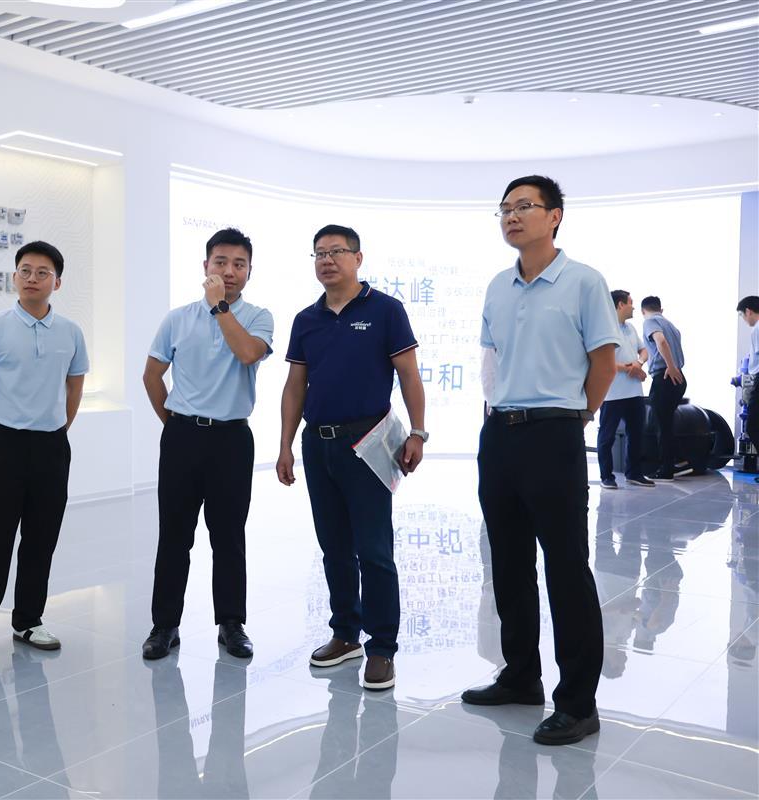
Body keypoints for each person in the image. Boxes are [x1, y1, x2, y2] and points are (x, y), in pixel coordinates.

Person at [462, 176, 618, 746]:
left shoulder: (583, 281)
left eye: (524, 206)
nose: (512, 216)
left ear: (554, 216)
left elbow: (604, 362)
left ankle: (577, 702)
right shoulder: (497, 286)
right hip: (500, 434)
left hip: (554, 432)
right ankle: (521, 675)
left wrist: (577, 417)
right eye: (505, 208)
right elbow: (494, 361)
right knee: (507, 562)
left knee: (566, 567)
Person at [276, 224, 427, 690]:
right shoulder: (306, 319)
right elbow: (295, 386)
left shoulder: (385, 310)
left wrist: (418, 431)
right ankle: (345, 634)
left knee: (374, 550)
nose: (327, 260)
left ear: (358, 258)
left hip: (368, 442)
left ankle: (382, 648)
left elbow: (408, 375)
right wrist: (285, 444)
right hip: (317, 443)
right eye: (319, 253)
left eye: (337, 251)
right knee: (334, 547)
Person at [141, 228, 274, 661]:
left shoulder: (259, 316)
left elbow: (248, 353)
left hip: (232, 439)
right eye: (220, 262)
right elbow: (151, 375)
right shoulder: (177, 318)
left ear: (250, 271)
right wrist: (174, 423)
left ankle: (231, 624)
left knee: (229, 535)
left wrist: (220, 308)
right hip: (183, 437)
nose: (229, 271)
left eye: (239, 264)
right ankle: (164, 625)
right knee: (174, 535)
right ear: (205, 266)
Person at [0, 241, 88, 661]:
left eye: (42, 272)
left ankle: (29, 620)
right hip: (4, 444)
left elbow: (75, 384)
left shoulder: (71, 332)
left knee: (41, 537)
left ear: (57, 282)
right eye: (25, 271)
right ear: (15, 277)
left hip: (52, 445)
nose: (32, 278)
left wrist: (60, 427)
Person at [597, 290, 653, 489]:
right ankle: (606, 476)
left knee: (636, 434)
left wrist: (639, 363)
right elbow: (601, 360)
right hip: (612, 394)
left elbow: (644, 350)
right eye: (630, 302)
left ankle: (634, 474)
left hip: (634, 393)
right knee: (607, 436)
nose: (633, 307)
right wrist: (630, 368)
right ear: (620, 305)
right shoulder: (604, 328)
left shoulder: (630, 328)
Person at [639, 296, 686, 481]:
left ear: (643, 311)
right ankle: (676, 461)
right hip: (678, 378)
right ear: (661, 309)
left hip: (665, 376)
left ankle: (666, 470)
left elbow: (661, 341)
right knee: (666, 423)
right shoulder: (671, 325)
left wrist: (670, 366)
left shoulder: (650, 321)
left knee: (661, 424)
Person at [736, 295, 759, 449]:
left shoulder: (757, 329)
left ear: (748, 311)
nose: (744, 319)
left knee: (753, 426)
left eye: (742, 315)